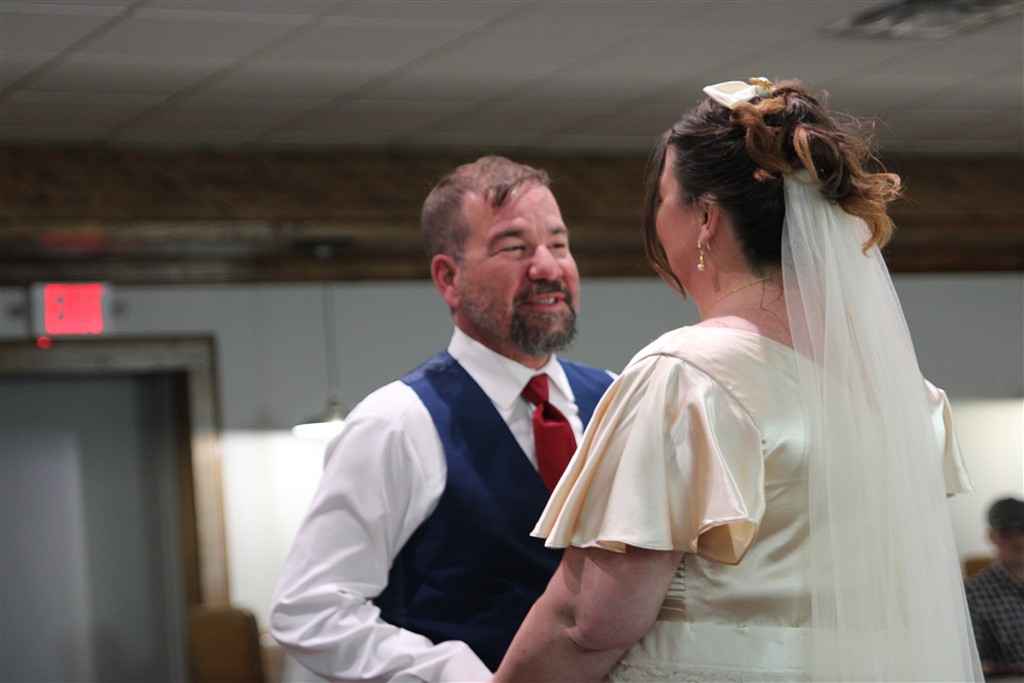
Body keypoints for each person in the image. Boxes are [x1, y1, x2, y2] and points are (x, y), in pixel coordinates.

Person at [494, 78, 982, 682]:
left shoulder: (687, 378)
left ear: (705, 218)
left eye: (663, 198)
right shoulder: (910, 397)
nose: (655, 217)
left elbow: (591, 621)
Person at [269, 155, 614, 681]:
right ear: (449, 278)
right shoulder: (396, 424)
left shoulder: (615, 398)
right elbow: (308, 610)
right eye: (515, 247)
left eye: (559, 245)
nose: (547, 267)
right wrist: (456, 675)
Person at [966, 496, 1024, 676]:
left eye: (1023, 528)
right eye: (1006, 531)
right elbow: (971, 665)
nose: (1018, 540)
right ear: (991, 536)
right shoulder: (973, 595)